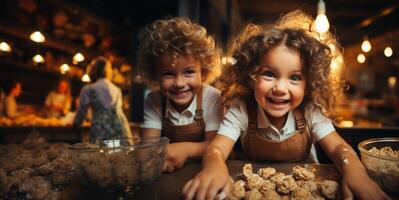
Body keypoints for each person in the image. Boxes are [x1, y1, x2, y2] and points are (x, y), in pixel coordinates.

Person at [183, 11, 389, 200]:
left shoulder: (310, 111)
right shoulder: (242, 109)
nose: (280, 88)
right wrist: (213, 168)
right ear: (251, 76)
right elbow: (217, 149)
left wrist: (356, 173)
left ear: (309, 83)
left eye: (294, 78)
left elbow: (339, 148)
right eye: (269, 74)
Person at [137, 17, 223, 172]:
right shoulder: (154, 99)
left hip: (204, 169)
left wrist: (185, 149)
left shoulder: (212, 97)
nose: (179, 83)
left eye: (189, 72)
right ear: (155, 75)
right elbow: (147, 149)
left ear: (203, 72)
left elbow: (217, 146)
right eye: (168, 74)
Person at [73, 56, 132, 142]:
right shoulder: (117, 89)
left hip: (100, 131)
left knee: (100, 153)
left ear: (92, 71)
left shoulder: (89, 89)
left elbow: (81, 112)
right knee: (117, 153)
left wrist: (76, 124)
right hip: (119, 129)